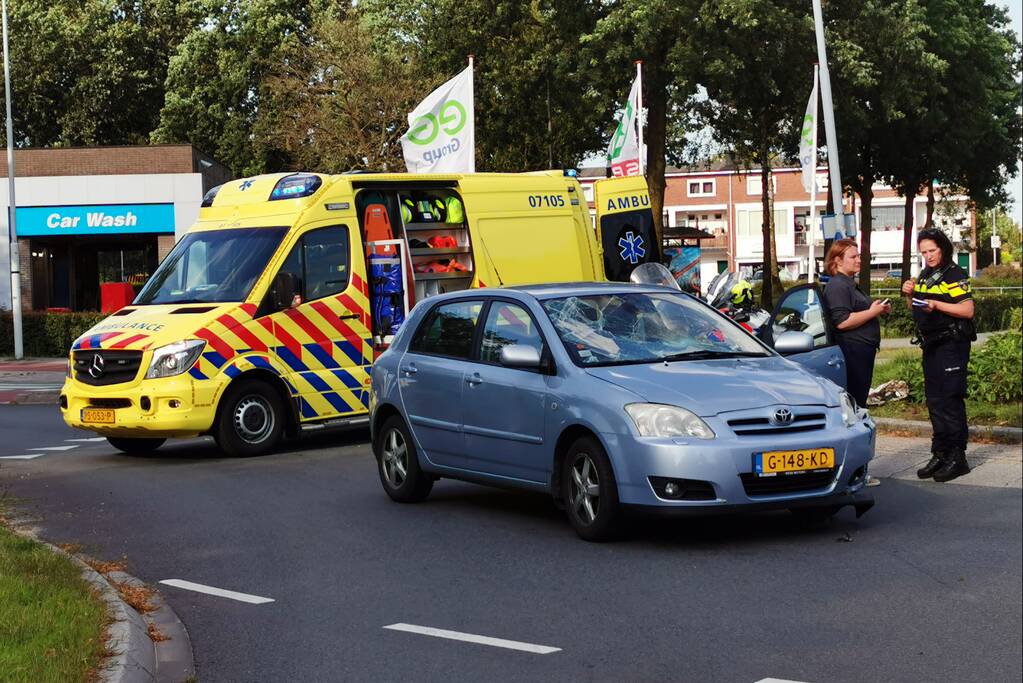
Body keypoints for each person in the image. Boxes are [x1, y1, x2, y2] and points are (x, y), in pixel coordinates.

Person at [901, 228, 976, 483]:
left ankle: (957, 457)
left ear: (943, 248)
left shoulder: (954, 274)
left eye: (932, 250)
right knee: (934, 400)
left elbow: (967, 310)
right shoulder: (925, 274)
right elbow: (916, 307)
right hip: (931, 344)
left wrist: (936, 304)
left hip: (951, 344)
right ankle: (941, 453)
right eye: (924, 252)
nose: (928, 256)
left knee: (950, 399)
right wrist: (909, 294)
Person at [822, 239, 891, 409]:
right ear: (838, 260)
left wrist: (877, 309)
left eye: (858, 256)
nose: (859, 260)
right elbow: (842, 321)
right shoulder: (837, 285)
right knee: (854, 404)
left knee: (858, 401)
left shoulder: (848, 283)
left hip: (861, 351)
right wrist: (872, 312)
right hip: (852, 352)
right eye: (853, 257)